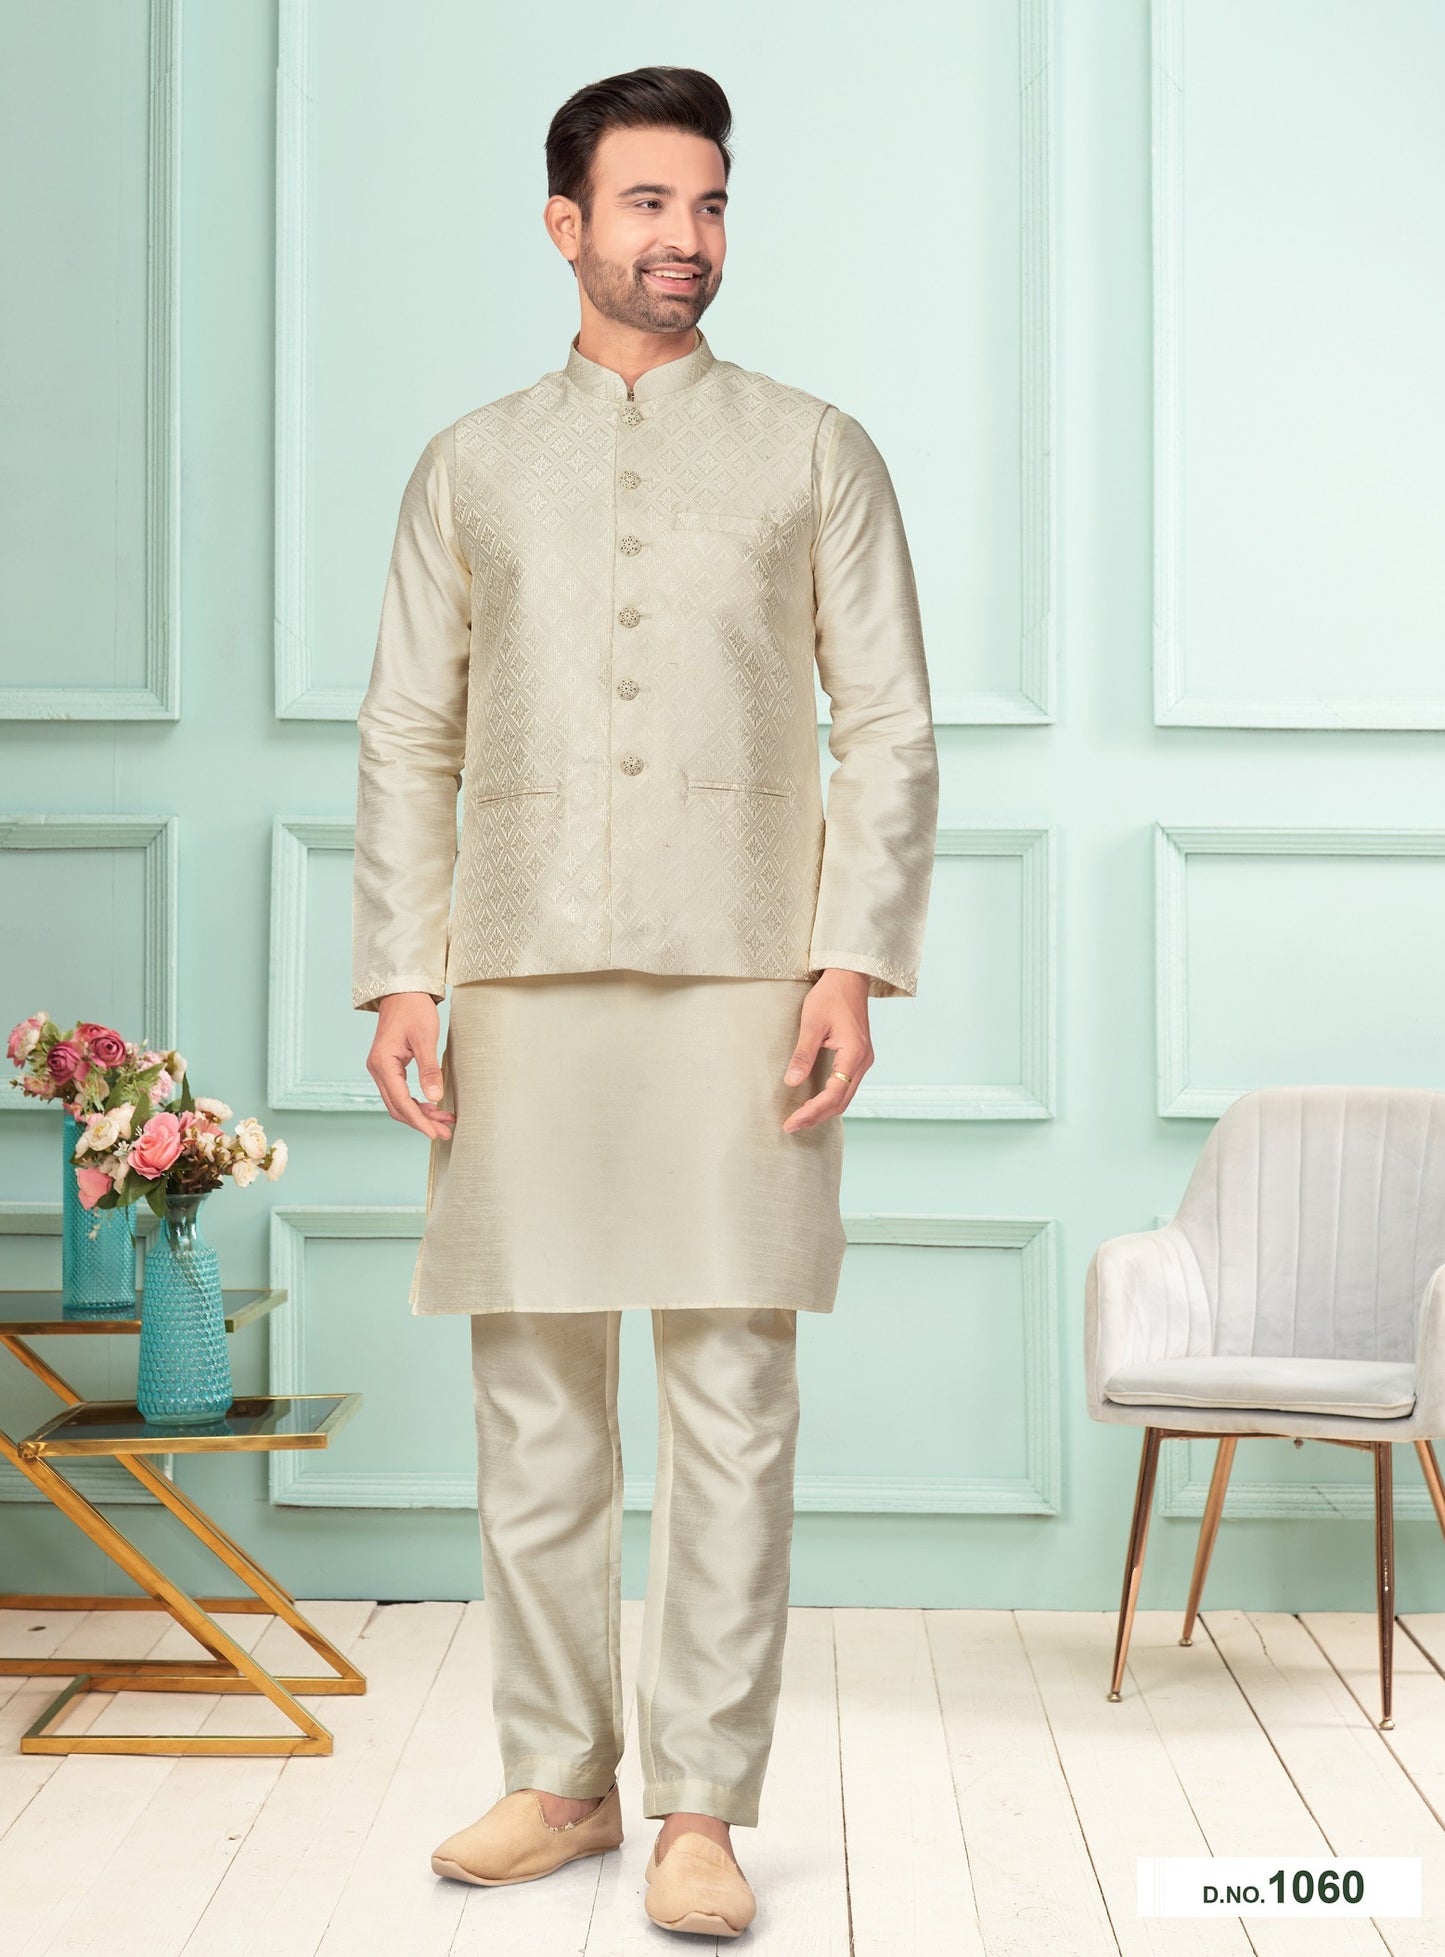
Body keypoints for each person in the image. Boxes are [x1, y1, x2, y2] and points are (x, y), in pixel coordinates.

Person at [351, 62, 938, 1940]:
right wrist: (402, 969)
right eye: (647, 204)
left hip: (745, 971)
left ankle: (700, 1805)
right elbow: (408, 729)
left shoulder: (815, 448)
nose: (685, 239)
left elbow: (889, 722)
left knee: (732, 1394)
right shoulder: (467, 463)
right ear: (566, 224)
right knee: (533, 1394)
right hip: (517, 970)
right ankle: (559, 1778)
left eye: (709, 204)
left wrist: (851, 956)